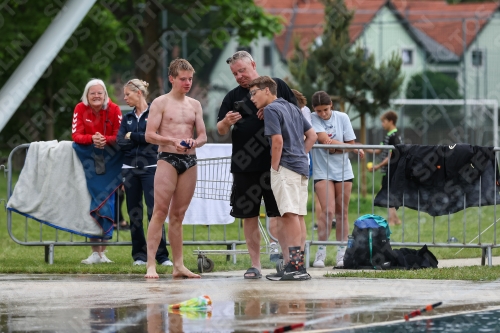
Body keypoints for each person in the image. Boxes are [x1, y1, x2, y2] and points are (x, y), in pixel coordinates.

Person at [216, 51, 299, 279]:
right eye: (234, 73)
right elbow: (220, 129)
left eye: (242, 70)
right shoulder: (232, 96)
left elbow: (296, 114)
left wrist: (274, 108)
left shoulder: (276, 87)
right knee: (248, 215)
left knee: (280, 214)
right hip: (244, 165)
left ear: (253, 64)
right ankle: (255, 265)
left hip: (275, 163)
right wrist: (226, 122)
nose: (239, 76)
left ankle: (286, 261)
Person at [248, 76, 317, 281]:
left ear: (267, 90)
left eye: (254, 93)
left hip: (285, 167)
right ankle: (298, 265)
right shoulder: (293, 107)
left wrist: (274, 166)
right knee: (298, 215)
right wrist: (300, 154)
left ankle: (294, 266)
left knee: (289, 215)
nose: (252, 98)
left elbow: (277, 141)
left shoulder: (271, 110)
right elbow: (311, 135)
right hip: (301, 166)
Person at [144, 58, 207, 279]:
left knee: (178, 215)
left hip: (189, 161)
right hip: (168, 158)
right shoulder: (160, 103)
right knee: (159, 212)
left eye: (190, 79)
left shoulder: (195, 105)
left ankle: (178, 265)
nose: (187, 83)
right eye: (183, 79)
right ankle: (150, 264)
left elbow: (203, 136)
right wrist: (172, 141)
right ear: (172, 79)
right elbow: (149, 135)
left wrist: (194, 143)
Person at [117, 79, 173, 267]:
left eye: (128, 94)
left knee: (155, 212)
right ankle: (139, 256)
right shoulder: (127, 118)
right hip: (130, 169)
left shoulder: (155, 113)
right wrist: (141, 138)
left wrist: (132, 136)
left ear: (139, 93)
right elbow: (120, 143)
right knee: (134, 213)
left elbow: (155, 139)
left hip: (151, 168)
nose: (125, 98)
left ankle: (161, 255)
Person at [310, 91, 364, 268]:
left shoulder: (342, 117)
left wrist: (344, 148)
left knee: (342, 213)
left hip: (343, 171)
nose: (323, 114)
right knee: (328, 212)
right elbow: (324, 140)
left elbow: (350, 144)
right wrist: (350, 148)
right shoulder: (313, 118)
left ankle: (342, 253)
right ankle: (321, 252)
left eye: (325, 109)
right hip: (322, 170)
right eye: (319, 111)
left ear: (331, 105)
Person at [72, 78, 122, 264]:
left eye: (99, 92)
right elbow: (76, 135)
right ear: (86, 95)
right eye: (92, 93)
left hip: (111, 162)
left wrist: (104, 140)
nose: (96, 96)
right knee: (93, 203)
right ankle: (94, 252)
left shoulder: (115, 109)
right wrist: (93, 139)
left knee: (108, 202)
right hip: (89, 162)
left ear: (105, 95)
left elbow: (119, 135)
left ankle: (103, 252)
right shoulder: (79, 108)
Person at [365, 110, 402, 226]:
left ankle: (391, 220)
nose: (382, 124)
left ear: (391, 121)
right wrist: (361, 147)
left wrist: (377, 166)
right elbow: (378, 150)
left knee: (387, 194)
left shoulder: (394, 137)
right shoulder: (388, 136)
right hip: (388, 171)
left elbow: (391, 155)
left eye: (384, 121)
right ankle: (396, 219)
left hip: (393, 170)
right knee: (387, 193)